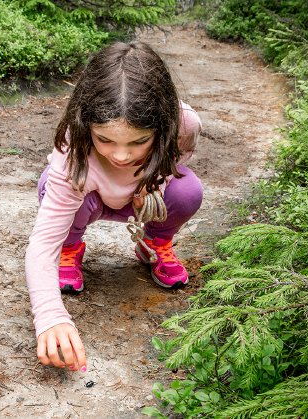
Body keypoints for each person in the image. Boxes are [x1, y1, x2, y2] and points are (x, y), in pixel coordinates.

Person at [25, 41, 203, 371]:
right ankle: (72, 246)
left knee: (188, 190)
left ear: (162, 127)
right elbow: (41, 242)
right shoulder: (73, 144)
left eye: (139, 141)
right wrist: (50, 316)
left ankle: (155, 241)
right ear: (85, 124)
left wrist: (153, 184)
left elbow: (175, 160)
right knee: (52, 183)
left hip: (142, 203)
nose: (121, 155)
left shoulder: (185, 125)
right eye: (105, 139)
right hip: (88, 201)